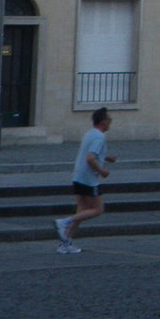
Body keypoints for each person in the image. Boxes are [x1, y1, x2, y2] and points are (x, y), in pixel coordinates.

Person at [55, 107, 115, 253]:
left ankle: (65, 243)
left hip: (78, 176)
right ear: (104, 122)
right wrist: (102, 171)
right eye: (109, 120)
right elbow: (90, 158)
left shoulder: (89, 134)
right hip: (89, 179)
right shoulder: (100, 137)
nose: (110, 124)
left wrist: (106, 158)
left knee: (82, 210)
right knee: (98, 209)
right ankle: (64, 222)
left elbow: (90, 153)